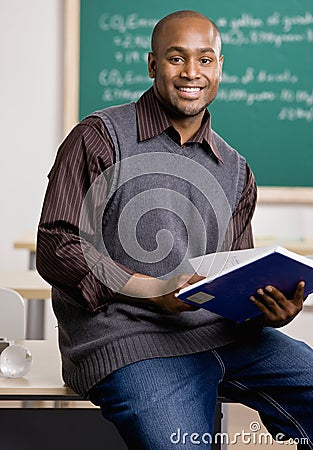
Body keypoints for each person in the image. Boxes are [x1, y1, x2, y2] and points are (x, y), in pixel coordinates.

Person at [36, 10, 313, 450]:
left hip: (226, 335)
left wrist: (270, 308)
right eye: (176, 58)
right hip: (129, 340)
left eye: (205, 60)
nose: (191, 73)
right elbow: (56, 244)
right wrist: (152, 288)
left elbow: (231, 275)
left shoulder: (237, 170)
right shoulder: (98, 137)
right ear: (152, 65)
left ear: (220, 67)